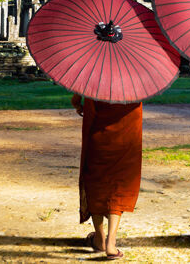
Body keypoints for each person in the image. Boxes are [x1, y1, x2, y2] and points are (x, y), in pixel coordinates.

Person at [72, 94, 143, 260]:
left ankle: (99, 237)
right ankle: (111, 242)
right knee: (120, 180)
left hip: (99, 126)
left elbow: (84, 89)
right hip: (127, 128)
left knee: (96, 178)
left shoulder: (95, 78)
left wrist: (76, 100)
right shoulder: (135, 83)